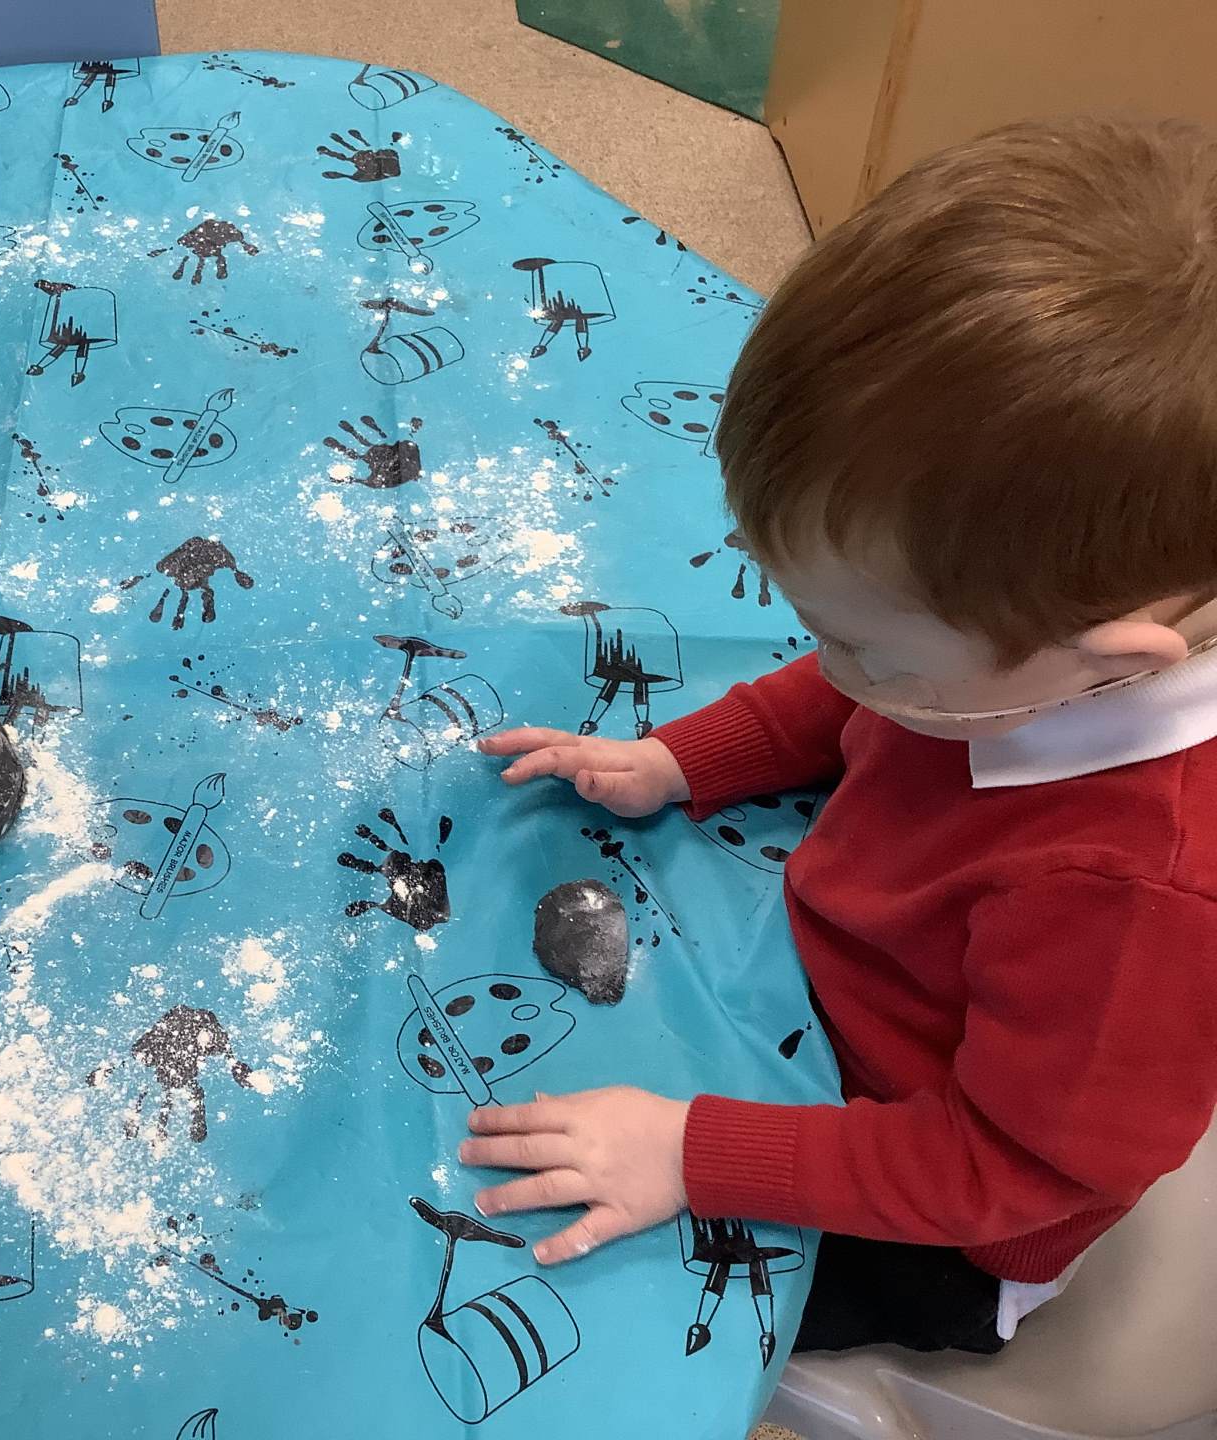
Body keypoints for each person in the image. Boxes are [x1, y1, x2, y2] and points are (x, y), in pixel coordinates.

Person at [465, 117, 1217, 1353]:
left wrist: (692, 1153)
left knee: (579, 1294)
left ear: (1110, 664)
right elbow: (861, 697)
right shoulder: (1018, 662)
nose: (830, 667)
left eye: (869, 647)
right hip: (835, 993)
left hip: (938, 1220)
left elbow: (1005, 1175)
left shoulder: (1135, 896)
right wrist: (683, 760)